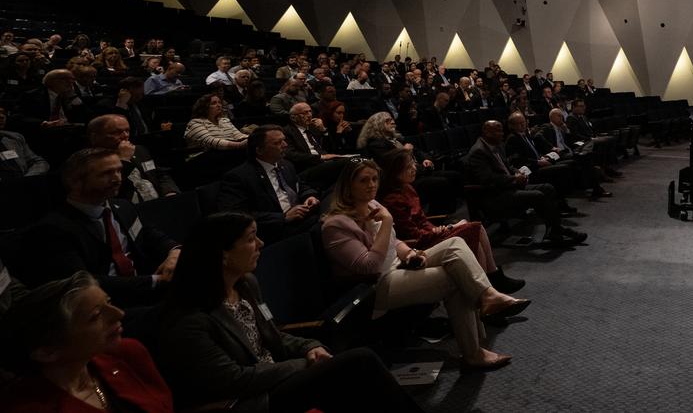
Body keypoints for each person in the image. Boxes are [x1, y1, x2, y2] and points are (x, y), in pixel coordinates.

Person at [155, 212, 420, 412]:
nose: (261, 244)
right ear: (223, 255)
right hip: (249, 400)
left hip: (274, 378)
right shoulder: (189, 317)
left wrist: (310, 347)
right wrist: (302, 365)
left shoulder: (245, 284)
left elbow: (273, 335)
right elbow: (233, 380)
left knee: (355, 383)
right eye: (250, 239)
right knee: (359, 362)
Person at [320, 160, 524, 370]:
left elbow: (393, 242)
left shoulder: (373, 205)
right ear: (348, 186)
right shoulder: (335, 225)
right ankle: (473, 352)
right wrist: (387, 222)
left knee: (455, 244)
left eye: (374, 179)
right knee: (454, 277)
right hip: (375, 286)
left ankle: (488, 295)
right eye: (363, 180)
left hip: (398, 266)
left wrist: (410, 253)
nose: (371, 185)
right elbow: (369, 266)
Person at [2, 272, 175, 412]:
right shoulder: (27, 407)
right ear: (47, 352)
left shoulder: (128, 352)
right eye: (96, 316)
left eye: (108, 302)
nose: (119, 314)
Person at [29, 148, 180, 307]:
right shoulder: (53, 229)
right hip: (106, 305)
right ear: (74, 182)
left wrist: (175, 252)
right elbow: (82, 282)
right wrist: (156, 281)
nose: (117, 178)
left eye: (119, 171)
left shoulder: (123, 207)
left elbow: (152, 237)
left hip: (146, 291)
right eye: (106, 173)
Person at [376, 149, 524, 294]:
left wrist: (438, 229)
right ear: (395, 172)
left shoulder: (407, 188)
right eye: (408, 167)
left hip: (429, 234)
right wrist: (443, 230)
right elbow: (411, 234)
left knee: (474, 230)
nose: (414, 168)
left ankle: (490, 281)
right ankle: (491, 281)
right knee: (474, 229)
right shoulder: (393, 200)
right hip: (417, 245)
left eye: (413, 164)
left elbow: (422, 220)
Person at [465, 120, 586, 248]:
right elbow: (488, 179)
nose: (502, 133)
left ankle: (555, 229)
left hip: (508, 187)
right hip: (494, 195)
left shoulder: (496, 145)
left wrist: (517, 172)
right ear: (486, 132)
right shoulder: (479, 151)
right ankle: (556, 230)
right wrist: (514, 179)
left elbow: (507, 166)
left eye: (501, 130)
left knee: (548, 188)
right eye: (498, 131)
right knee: (537, 195)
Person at [215, 126, 320, 243]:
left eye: (284, 140)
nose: (285, 145)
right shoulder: (238, 177)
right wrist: (283, 217)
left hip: (302, 217)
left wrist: (309, 196)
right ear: (259, 150)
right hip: (275, 230)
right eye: (277, 143)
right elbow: (235, 215)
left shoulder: (286, 164)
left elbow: (300, 185)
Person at [87, 113, 178, 202]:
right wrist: (124, 159)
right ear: (95, 137)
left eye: (127, 131)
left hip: (158, 202)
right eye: (117, 132)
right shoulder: (92, 161)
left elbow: (159, 174)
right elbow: (110, 191)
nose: (125, 135)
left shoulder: (139, 150)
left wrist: (170, 192)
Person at [184, 93, 250, 151]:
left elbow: (238, 136)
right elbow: (210, 141)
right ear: (204, 107)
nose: (219, 105)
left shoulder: (224, 120)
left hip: (227, 152)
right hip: (204, 156)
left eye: (219, 102)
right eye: (214, 103)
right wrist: (239, 145)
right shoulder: (195, 123)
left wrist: (252, 138)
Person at [0, 104, 50, 178]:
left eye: (3, 113)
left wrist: (26, 179)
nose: (1, 116)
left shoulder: (15, 137)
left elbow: (39, 162)